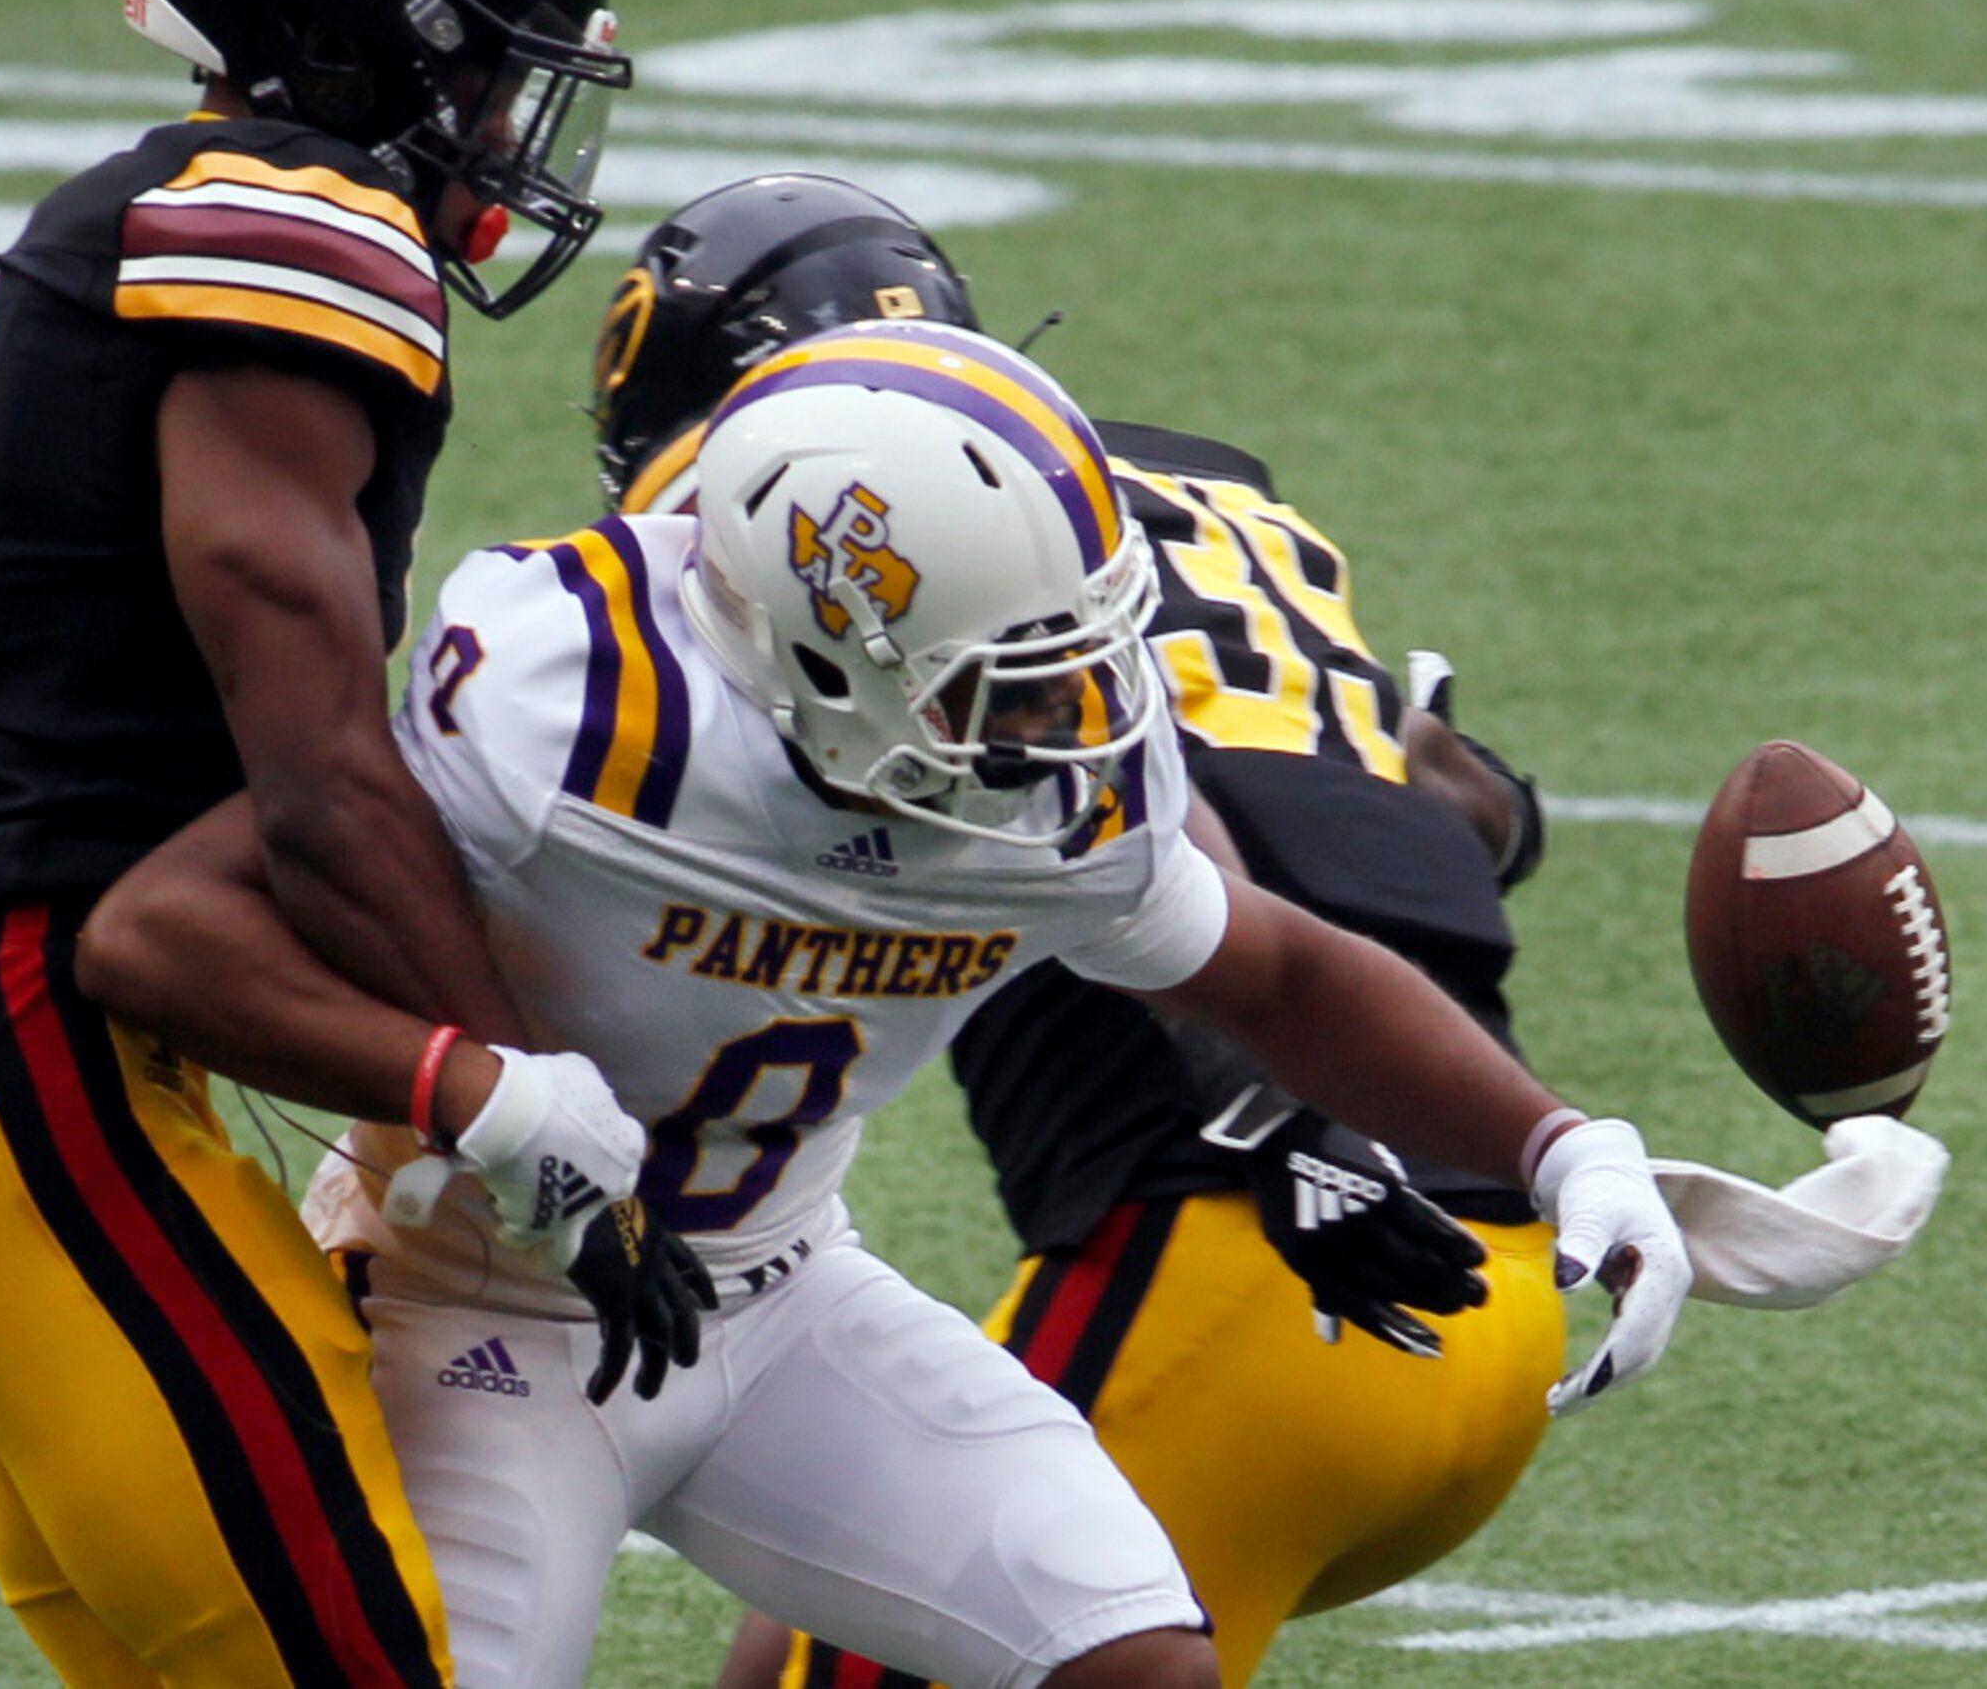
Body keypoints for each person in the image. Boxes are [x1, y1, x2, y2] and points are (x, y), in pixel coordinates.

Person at [75, 316, 1695, 1689]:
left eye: (1078, 652)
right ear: (822, 640)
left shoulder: (1059, 762)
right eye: (1007, 675)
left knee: (1127, 1654)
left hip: (783, 1294)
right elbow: (162, 933)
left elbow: (1266, 968)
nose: (1073, 715)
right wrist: (478, 1089)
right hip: (474, 1302)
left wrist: (1561, 1145)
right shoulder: (575, 706)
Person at [0, 0, 634, 1682]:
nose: (506, 130)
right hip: (27, 1059)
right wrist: (540, 1100)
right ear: (372, 38)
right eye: (488, 70)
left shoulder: (169, 210)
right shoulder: (284, 216)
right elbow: (319, 776)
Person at [593, 174, 1563, 1689]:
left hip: (1245, 1249)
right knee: (794, 1641)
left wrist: (1277, 1113)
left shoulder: (815, 534)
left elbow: (1184, 866)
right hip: (1490, 1282)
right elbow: (1469, 805)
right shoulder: (1189, 500)